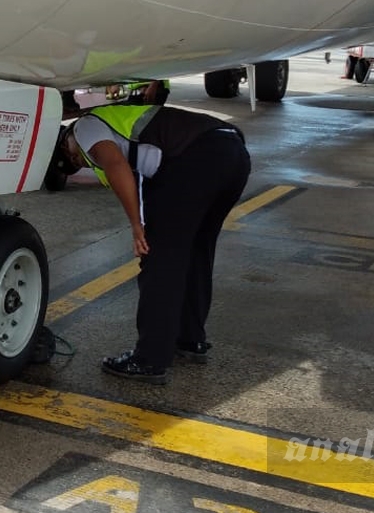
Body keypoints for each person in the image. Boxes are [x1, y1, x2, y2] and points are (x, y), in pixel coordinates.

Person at [51, 104, 250, 384]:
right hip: (233, 154)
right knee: (195, 253)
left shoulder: (85, 127)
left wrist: (137, 224)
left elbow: (118, 167)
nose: (79, 159)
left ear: (65, 140)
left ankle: (149, 359)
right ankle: (189, 339)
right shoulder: (116, 125)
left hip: (195, 157)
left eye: (72, 156)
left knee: (160, 262)